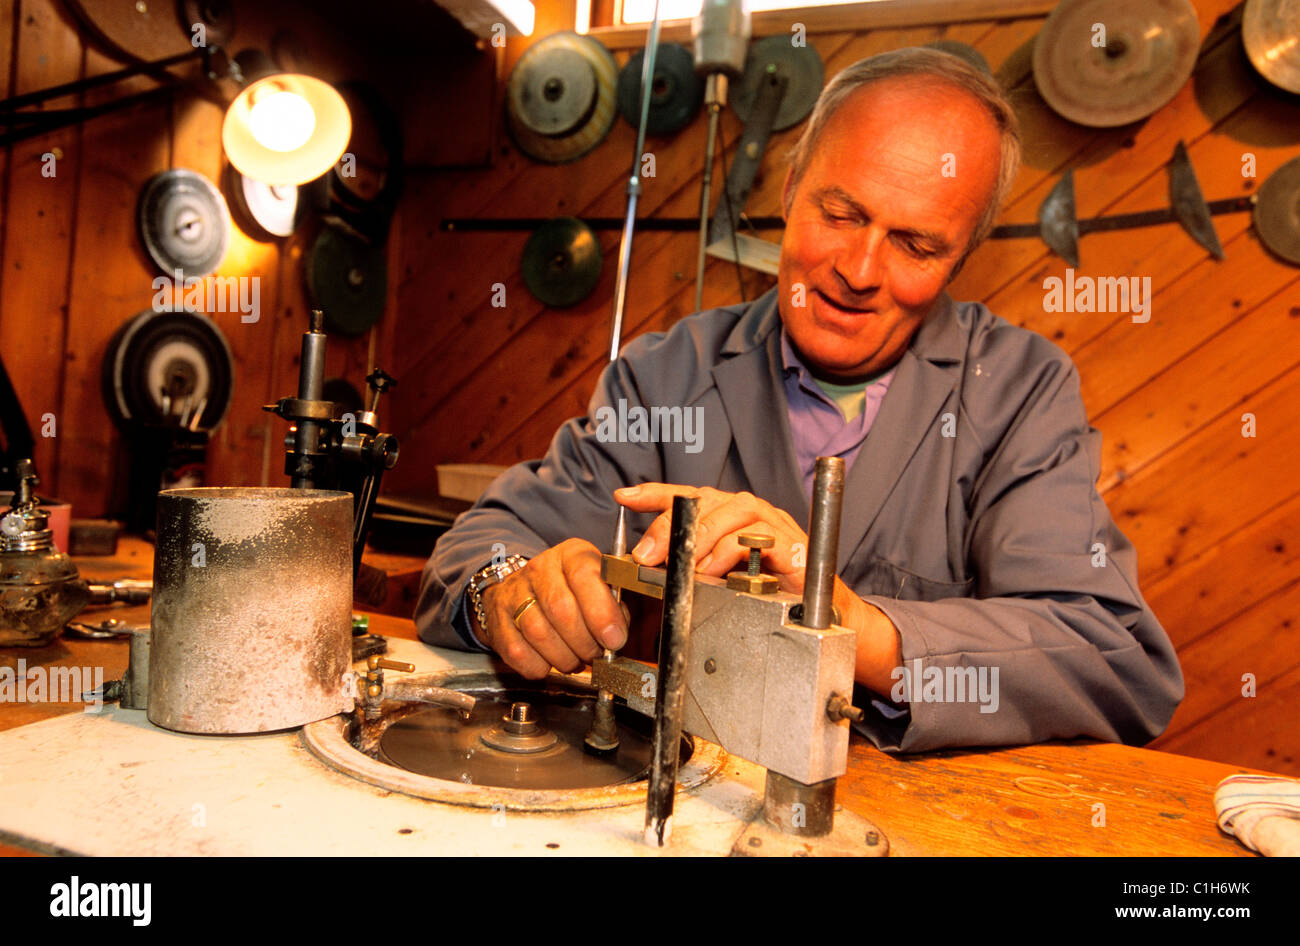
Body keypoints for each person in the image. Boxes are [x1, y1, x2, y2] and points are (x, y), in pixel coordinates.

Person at [415, 47, 1184, 752]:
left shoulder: (1020, 391)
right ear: (788, 190)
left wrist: (849, 621)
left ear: (962, 257)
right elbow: (488, 543)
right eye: (840, 214)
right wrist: (508, 593)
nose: (858, 268)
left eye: (916, 245)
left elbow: (1113, 660)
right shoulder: (668, 373)